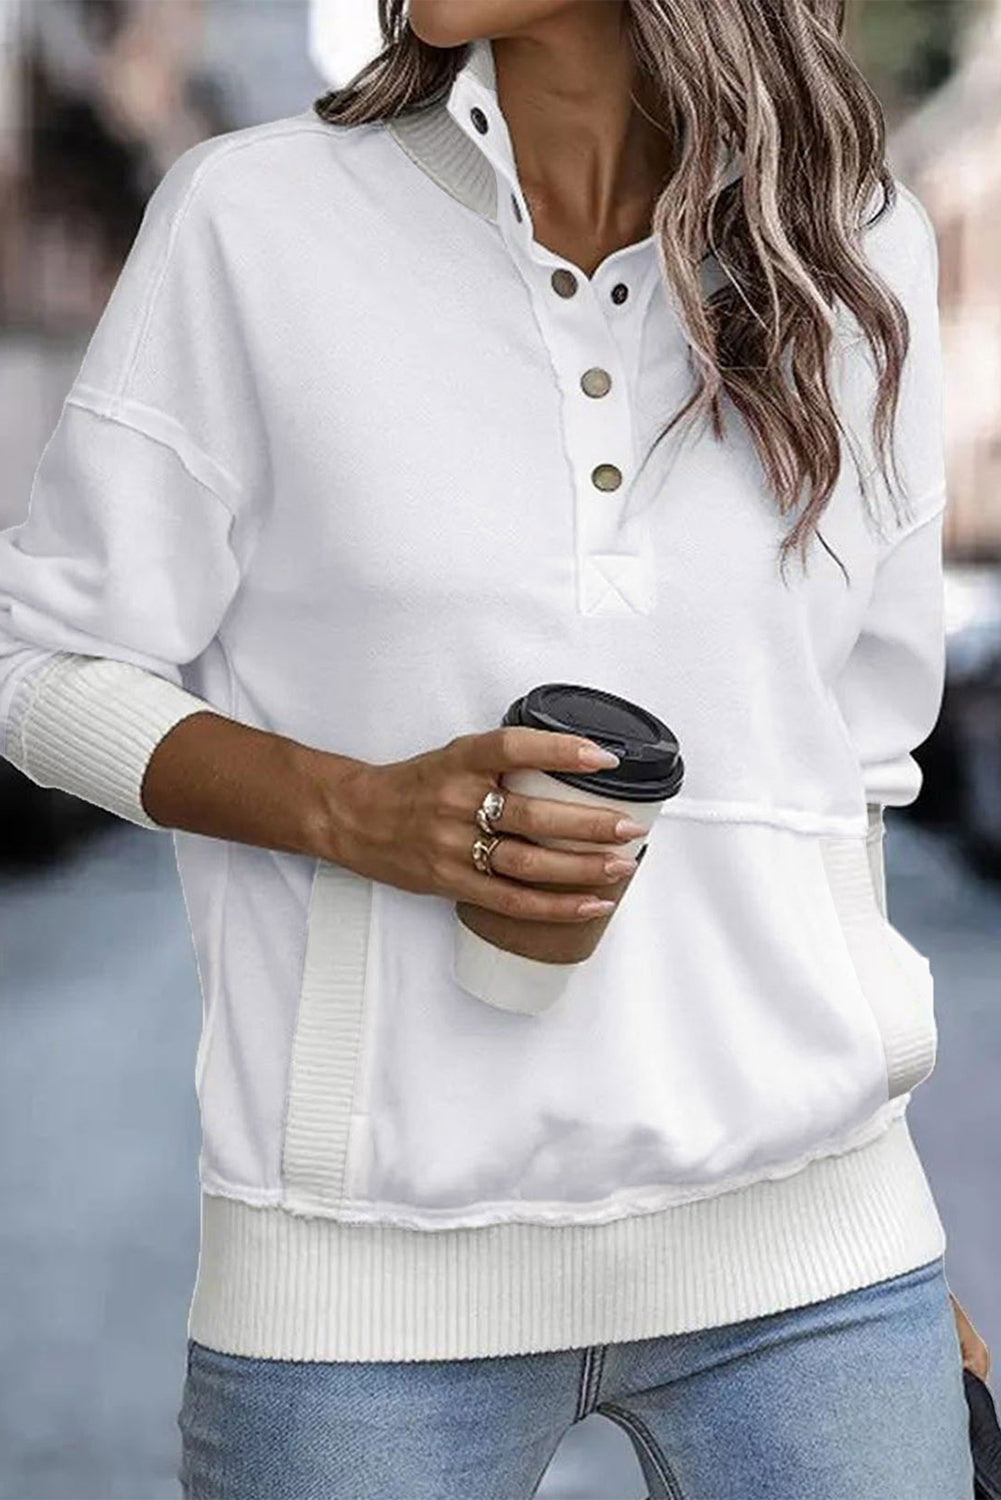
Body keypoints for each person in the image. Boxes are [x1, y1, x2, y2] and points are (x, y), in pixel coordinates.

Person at [0, 1, 990, 1495]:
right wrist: (352, 809)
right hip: (360, 1288)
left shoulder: (858, 245)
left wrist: (901, 1250)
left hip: (822, 1277)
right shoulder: (253, 222)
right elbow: (38, 658)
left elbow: (840, 785)